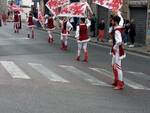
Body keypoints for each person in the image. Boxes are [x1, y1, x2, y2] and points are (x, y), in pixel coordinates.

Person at [111, 15, 126, 90]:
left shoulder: (117, 30)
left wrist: (114, 47)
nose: (111, 21)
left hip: (117, 50)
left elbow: (119, 41)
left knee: (118, 67)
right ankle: (116, 80)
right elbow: (122, 20)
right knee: (113, 65)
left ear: (115, 21)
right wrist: (118, 13)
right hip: (116, 50)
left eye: (112, 20)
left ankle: (120, 83)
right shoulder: (119, 27)